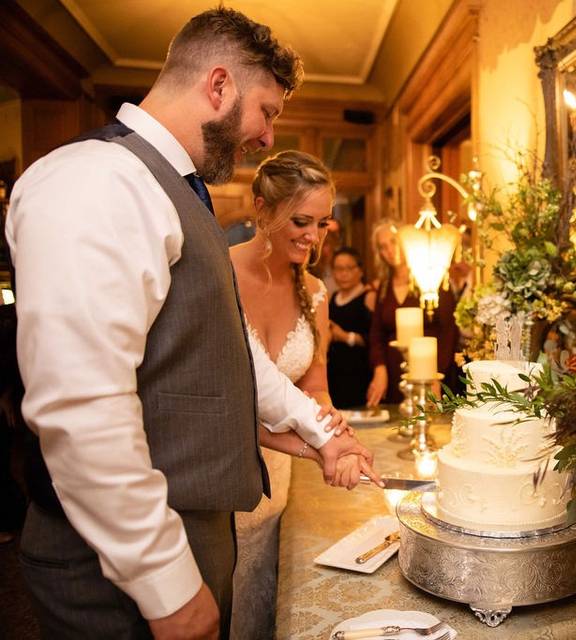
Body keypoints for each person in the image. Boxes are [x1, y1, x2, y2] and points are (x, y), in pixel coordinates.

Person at [4, 8, 381, 640]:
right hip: (117, 566)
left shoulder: (173, 189)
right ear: (218, 85)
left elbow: (230, 354)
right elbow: (82, 409)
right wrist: (168, 586)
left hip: (190, 532)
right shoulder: (97, 180)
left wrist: (321, 431)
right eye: (267, 111)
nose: (266, 138)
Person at [228, 149, 342, 639]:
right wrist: (309, 443)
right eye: (301, 220)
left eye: (322, 223)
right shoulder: (218, 274)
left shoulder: (314, 291)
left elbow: (314, 386)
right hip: (217, 476)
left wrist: (333, 428)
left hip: (277, 484)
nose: (313, 237)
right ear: (261, 209)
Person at [366, 220, 459, 406]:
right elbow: (377, 333)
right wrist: (380, 368)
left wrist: (435, 375)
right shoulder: (384, 286)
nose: (390, 251)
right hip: (395, 374)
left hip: (431, 371)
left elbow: (449, 330)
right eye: (382, 247)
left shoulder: (432, 277)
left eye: (393, 242)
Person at [327, 247, 375, 408]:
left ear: (360, 270)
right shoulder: (333, 298)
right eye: (338, 269)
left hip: (360, 374)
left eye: (349, 268)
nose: (343, 274)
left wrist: (346, 336)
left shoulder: (368, 296)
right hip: (335, 373)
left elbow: (374, 340)